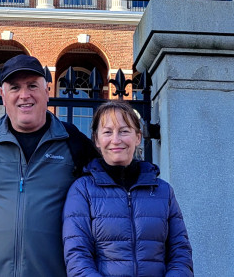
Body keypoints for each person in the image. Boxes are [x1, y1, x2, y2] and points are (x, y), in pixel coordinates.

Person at [0, 54, 97, 277]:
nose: (24, 95)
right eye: (15, 87)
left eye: (32, 86)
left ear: (47, 92)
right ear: (3, 96)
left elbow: (102, 212)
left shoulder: (75, 144)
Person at [62, 101, 192, 277]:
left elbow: (180, 252)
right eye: (107, 132)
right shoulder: (82, 190)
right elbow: (78, 257)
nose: (116, 140)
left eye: (124, 131)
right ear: (96, 140)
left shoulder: (163, 191)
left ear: (138, 137)